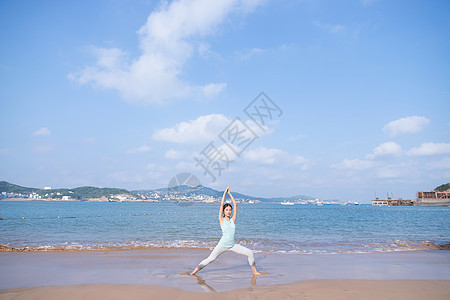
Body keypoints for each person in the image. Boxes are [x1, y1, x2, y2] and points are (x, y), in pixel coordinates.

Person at [191, 186, 260, 276]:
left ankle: (255, 272)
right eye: (226, 210)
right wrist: (224, 194)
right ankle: (193, 272)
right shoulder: (221, 220)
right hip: (222, 245)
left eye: (230, 210)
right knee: (210, 259)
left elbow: (235, 205)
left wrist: (230, 194)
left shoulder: (232, 220)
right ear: (223, 211)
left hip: (232, 245)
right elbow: (221, 204)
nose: (229, 211)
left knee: (250, 253)